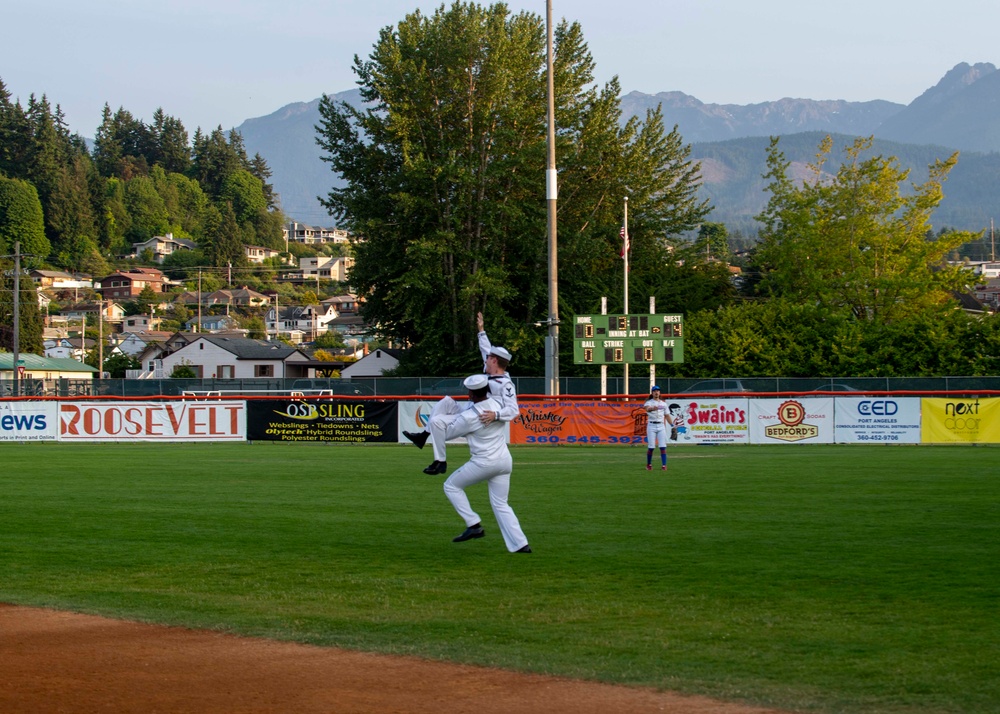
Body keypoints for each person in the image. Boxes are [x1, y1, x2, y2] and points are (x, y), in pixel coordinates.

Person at [403, 311, 520, 475]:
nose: (485, 359)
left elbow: (513, 410)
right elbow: (485, 347)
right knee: (446, 401)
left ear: (494, 361)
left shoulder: (505, 385)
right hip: (468, 410)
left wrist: (496, 415)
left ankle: (439, 461)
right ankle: (424, 437)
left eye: (488, 358)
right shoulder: (490, 372)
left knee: (437, 421)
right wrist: (481, 330)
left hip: (479, 419)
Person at [442, 373, 530, 553]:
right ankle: (521, 544)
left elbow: (446, 434)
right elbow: (511, 410)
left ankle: (473, 524)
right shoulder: (497, 406)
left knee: (451, 486)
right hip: (504, 461)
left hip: (484, 463)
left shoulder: (469, 415)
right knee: (501, 504)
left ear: (471, 394)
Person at [643, 385, 671, 471]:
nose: (656, 392)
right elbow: (647, 409)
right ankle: (649, 464)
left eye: (658, 391)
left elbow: (667, 415)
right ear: (652, 393)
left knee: (662, 446)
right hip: (651, 425)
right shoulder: (649, 402)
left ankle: (664, 465)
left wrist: (672, 425)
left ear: (659, 392)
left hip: (661, 425)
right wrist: (652, 409)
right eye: (655, 391)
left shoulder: (663, 404)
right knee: (651, 446)